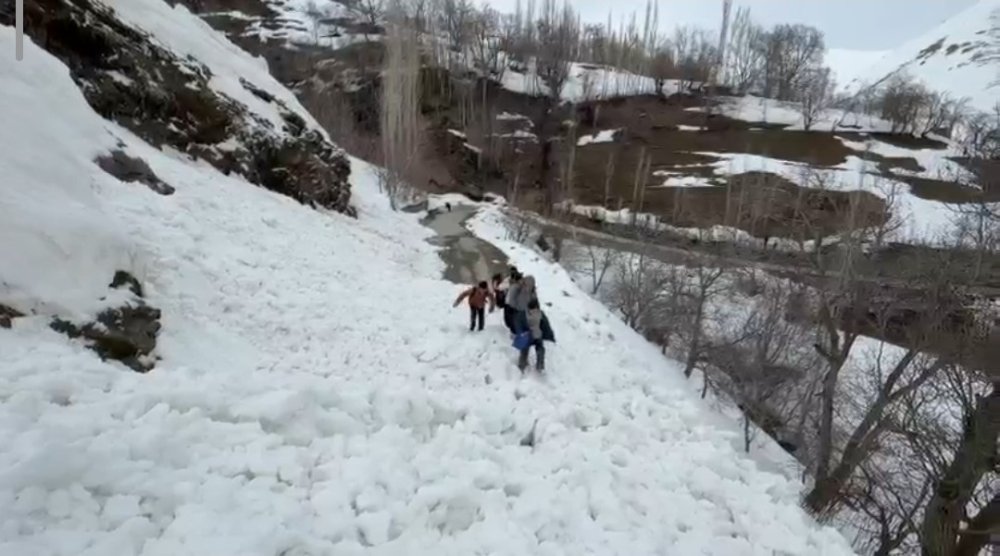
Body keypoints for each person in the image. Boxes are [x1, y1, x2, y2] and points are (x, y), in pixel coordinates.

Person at [516, 299, 555, 372]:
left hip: (527, 335)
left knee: (524, 349)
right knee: (540, 348)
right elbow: (545, 325)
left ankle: (522, 364)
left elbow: (518, 323)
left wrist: (520, 333)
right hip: (537, 335)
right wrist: (550, 335)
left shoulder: (524, 313)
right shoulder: (540, 313)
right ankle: (540, 365)